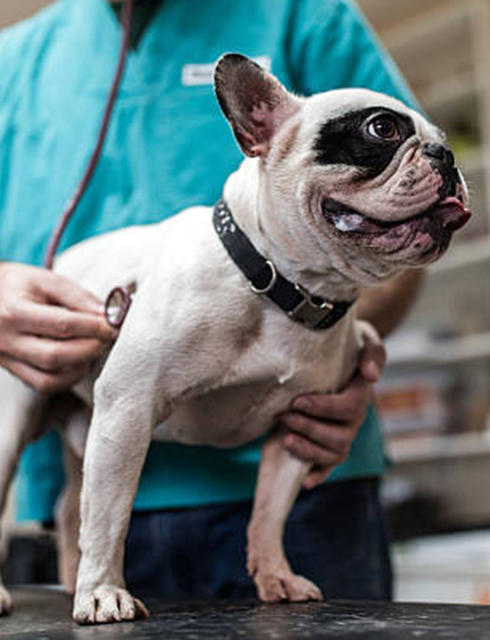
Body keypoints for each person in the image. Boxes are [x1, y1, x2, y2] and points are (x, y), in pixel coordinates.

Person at [0, 0, 423, 600]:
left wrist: (333, 346)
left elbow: (405, 206)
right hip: (83, 473)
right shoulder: (12, 61)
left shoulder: (306, 15)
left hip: (307, 494)